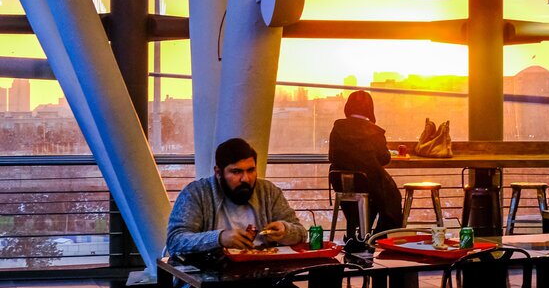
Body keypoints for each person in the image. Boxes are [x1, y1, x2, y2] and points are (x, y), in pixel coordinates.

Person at [166, 137, 307, 255]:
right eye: (236, 172)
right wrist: (219, 238)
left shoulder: (268, 192)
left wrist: (285, 231)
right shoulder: (196, 193)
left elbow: (301, 234)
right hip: (211, 279)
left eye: (251, 170)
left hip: (264, 276)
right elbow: (175, 241)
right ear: (218, 172)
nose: (246, 178)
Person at [328, 90, 403, 234]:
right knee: (391, 199)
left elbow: (332, 157)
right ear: (370, 109)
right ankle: (378, 237)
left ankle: (358, 235)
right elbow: (384, 158)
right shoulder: (374, 131)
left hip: (343, 185)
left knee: (369, 202)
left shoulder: (337, 128)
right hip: (370, 183)